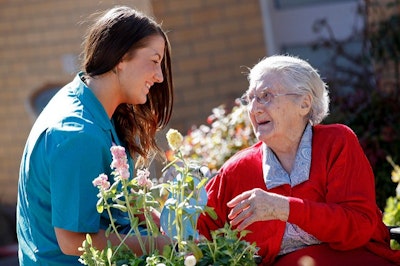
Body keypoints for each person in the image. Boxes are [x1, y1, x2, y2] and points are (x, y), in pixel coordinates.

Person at [197, 55, 400, 265]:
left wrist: (284, 208)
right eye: (250, 98)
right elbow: (196, 233)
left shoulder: (337, 143)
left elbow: (358, 226)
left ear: (304, 103)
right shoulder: (237, 169)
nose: (254, 108)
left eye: (266, 96)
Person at [16, 6, 174, 265]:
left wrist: (153, 217)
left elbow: (111, 203)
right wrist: (160, 244)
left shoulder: (90, 104)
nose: (158, 77)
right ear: (121, 58)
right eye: (154, 61)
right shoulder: (77, 134)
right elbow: (75, 241)